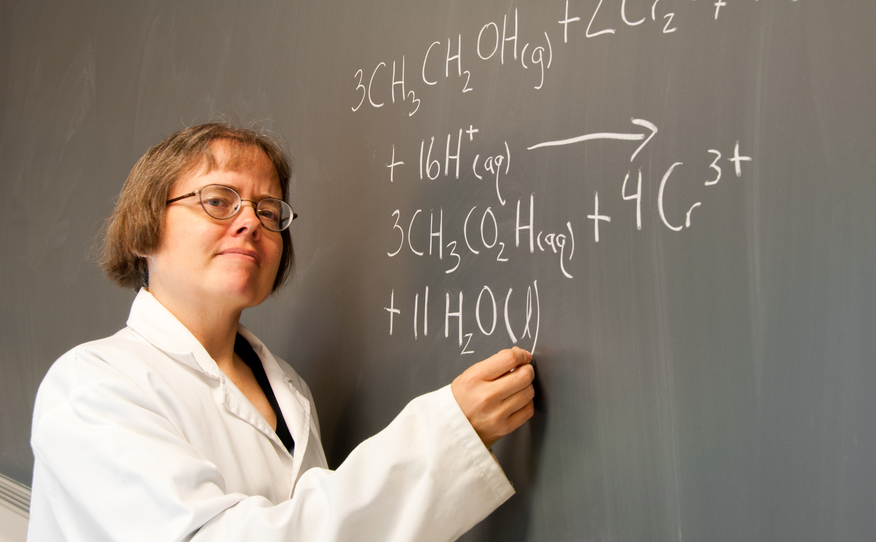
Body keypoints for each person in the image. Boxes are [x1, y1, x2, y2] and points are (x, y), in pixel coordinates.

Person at [26, 123, 535, 541]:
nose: (251, 222)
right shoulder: (91, 388)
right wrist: (446, 437)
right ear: (145, 227)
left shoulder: (289, 390)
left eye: (269, 210)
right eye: (218, 200)